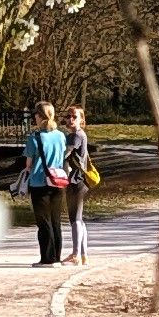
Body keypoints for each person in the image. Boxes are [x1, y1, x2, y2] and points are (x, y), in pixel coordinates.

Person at [15, 97, 68, 265]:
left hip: (39, 182)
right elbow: (63, 155)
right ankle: (57, 256)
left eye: (35, 115)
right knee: (55, 221)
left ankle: (47, 258)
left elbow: (28, 163)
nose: (34, 118)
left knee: (43, 222)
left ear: (40, 116)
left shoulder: (35, 138)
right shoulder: (60, 136)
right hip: (57, 181)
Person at [61, 108, 96, 262]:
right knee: (79, 219)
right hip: (79, 180)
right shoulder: (78, 135)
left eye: (74, 117)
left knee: (74, 218)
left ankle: (76, 254)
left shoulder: (76, 136)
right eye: (68, 116)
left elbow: (65, 153)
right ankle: (83, 255)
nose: (70, 119)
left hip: (76, 180)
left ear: (82, 120)